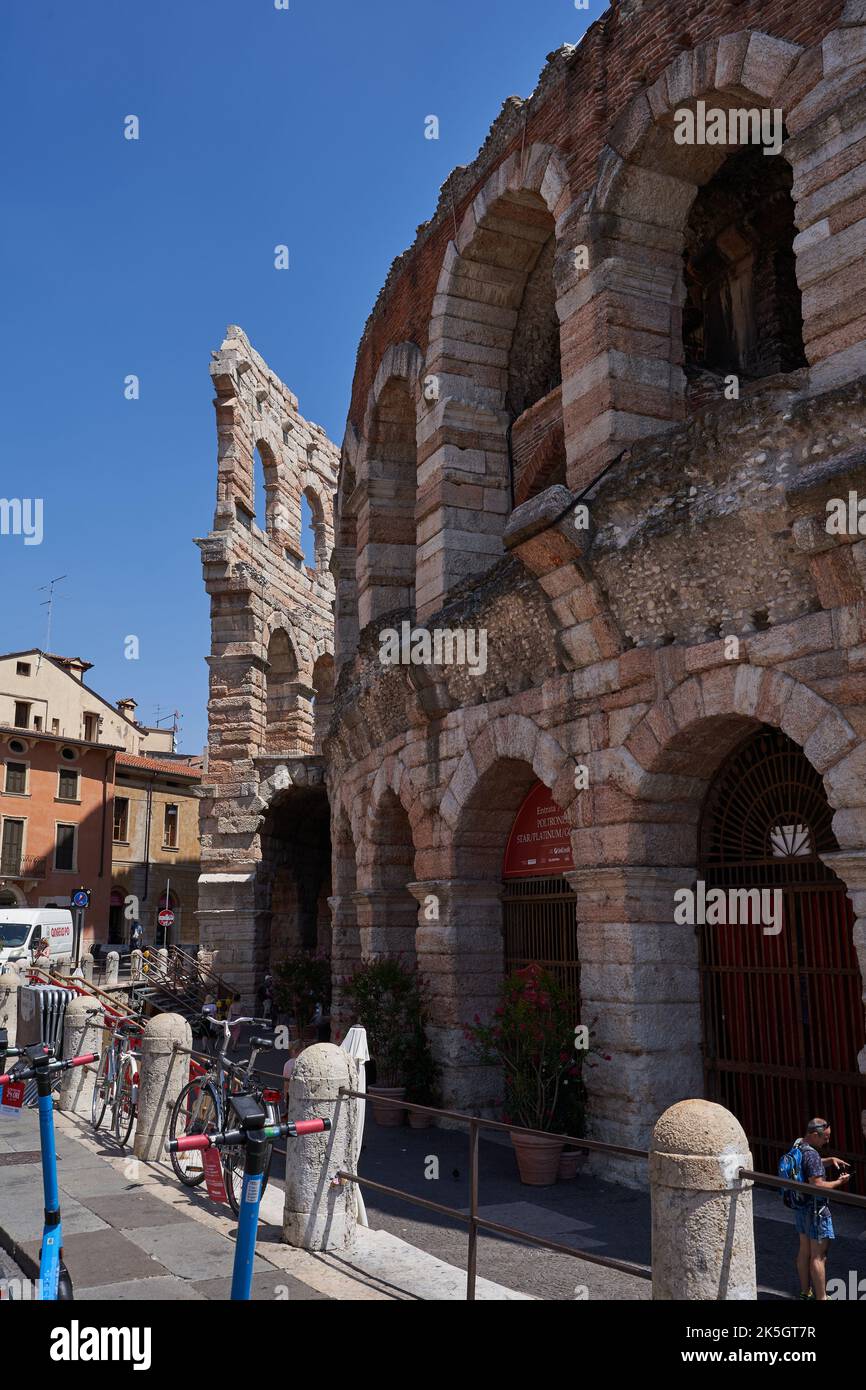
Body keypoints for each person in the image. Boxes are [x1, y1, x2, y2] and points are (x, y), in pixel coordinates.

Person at [794, 1118, 851, 1301]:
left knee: (804, 1251)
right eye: (824, 1138)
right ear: (813, 1135)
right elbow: (817, 1184)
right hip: (816, 1210)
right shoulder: (812, 1155)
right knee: (819, 1256)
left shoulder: (798, 1144)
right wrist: (839, 1182)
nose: (827, 1141)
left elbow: (809, 1164)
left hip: (801, 1207)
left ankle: (805, 1292)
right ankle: (822, 1298)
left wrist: (830, 1160)